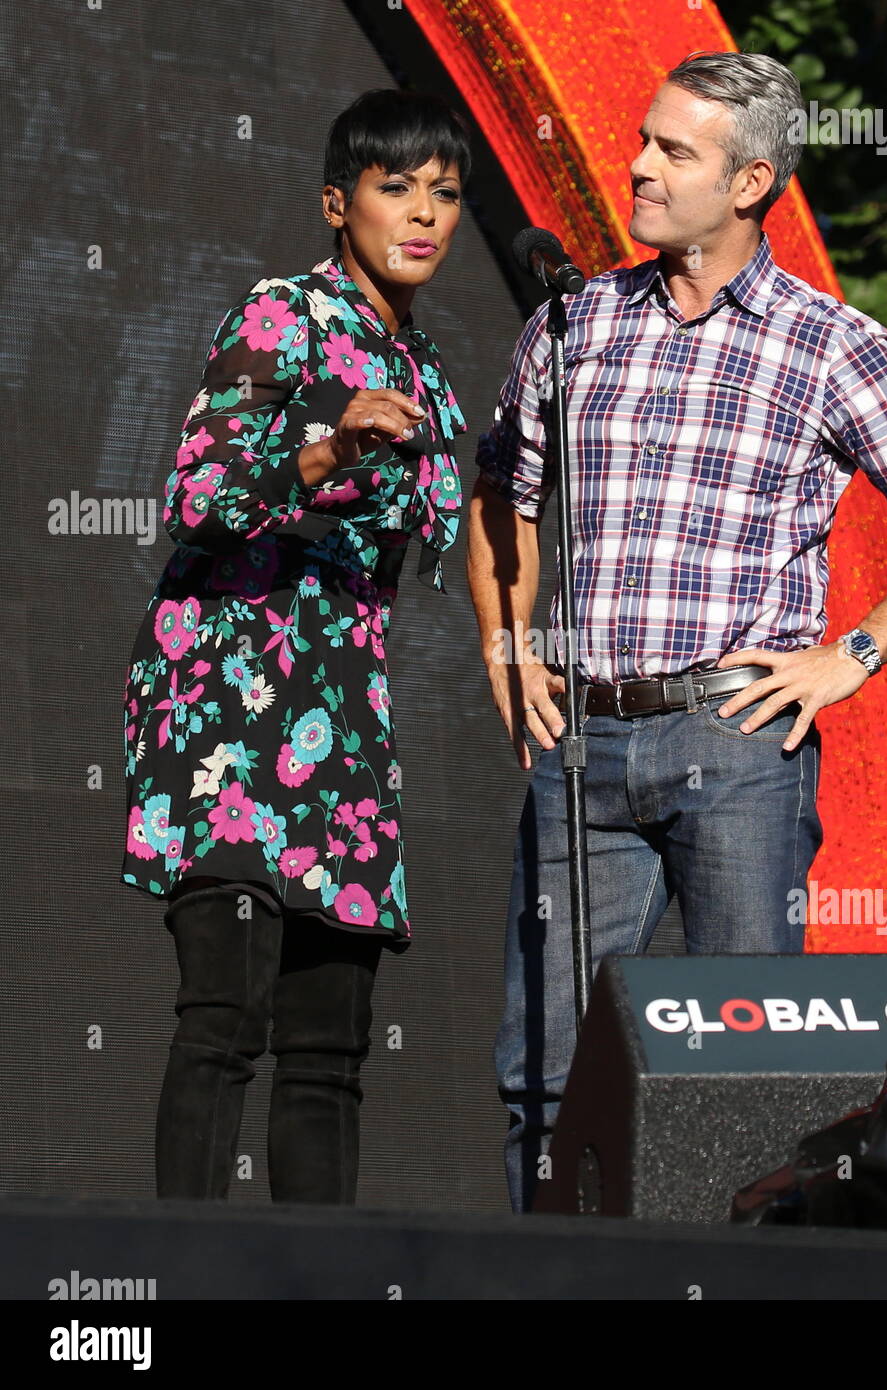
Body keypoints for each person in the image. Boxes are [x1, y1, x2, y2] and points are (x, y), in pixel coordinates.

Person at [467, 50, 887, 1213]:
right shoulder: (575, 322)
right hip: (581, 743)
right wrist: (506, 652)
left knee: (743, 1076)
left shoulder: (825, 341)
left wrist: (849, 655)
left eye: (674, 150)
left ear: (751, 180)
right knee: (541, 1074)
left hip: (734, 741)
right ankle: (553, 1289)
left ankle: (729, 1286)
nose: (637, 166)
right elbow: (498, 494)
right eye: (644, 138)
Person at [120, 88, 470, 1203]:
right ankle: (179, 1288)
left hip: (342, 723)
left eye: (445, 192)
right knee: (226, 1015)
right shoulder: (282, 318)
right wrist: (323, 451)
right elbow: (196, 495)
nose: (423, 213)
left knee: (329, 1045)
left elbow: (452, 540)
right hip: (227, 698)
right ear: (337, 202)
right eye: (394, 186)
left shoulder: (433, 380)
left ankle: (316, 1292)